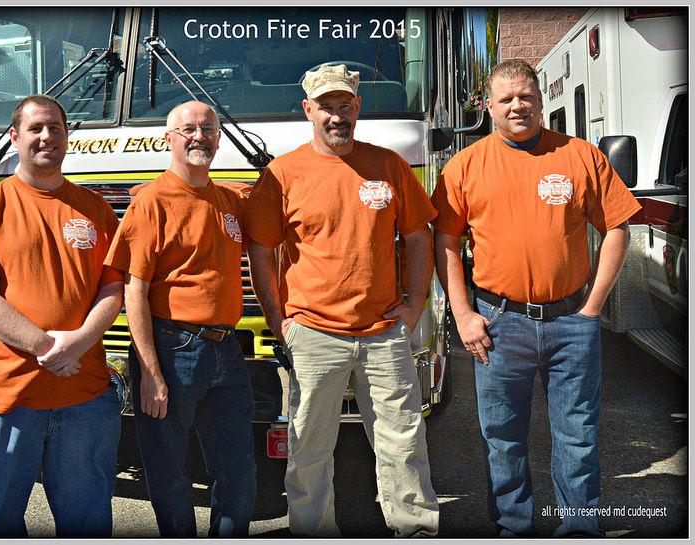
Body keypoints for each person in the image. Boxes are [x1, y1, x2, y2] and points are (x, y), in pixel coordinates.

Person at [431, 59, 642, 537]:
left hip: (572, 321)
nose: (517, 106)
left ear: (541, 100)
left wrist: (593, 308)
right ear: (488, 106)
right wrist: (462, 315)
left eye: (526, 96)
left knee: (578, 438)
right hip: (498, 323)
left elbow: (617, 228)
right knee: (502, 440)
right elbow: (444, 241)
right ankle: (514, 528)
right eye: (506, 99)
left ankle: (582, 529)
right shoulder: (465, 166)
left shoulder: (580, 155)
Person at [245, 63, 440, 537]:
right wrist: (279, 321)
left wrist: (414, 306)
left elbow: (418, 235)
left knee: (404, 443)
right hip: (312, 334)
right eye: (327, 107)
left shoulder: (388, 164)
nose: (337, 116)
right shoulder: (282, 174)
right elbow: (260, 251)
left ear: (358, 108)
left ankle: (414, 528)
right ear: (308, 110)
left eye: (346, 106)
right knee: (308, 447)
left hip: (383, 334)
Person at [0, 95, 124, 538]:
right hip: (10, 397)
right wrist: (48, 347)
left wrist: (79, 341)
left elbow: (113, 285)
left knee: (88, 522)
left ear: (67, 136)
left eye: (56, 128)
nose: (47, 137)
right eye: (36, 128)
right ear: (15, 137)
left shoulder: (95, 208)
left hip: (85, 396)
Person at [104, 101, 256, 537]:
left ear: (219, 137)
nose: (199, 137)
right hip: (173, 350)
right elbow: (134, 289)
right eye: (187, 129)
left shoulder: (228, 199)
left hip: (227, 347)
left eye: (208, 129)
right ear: (167, 139)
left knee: (238, 470)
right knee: (169, 470)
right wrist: (150, 372)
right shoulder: (151, 201)